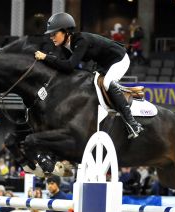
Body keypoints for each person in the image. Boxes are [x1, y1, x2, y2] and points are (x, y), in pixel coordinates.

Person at [34, 12, 144, 140]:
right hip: (103, 64)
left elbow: (69, 66)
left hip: (119, 59)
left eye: (54, 33)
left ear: (66, 32)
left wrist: (46, 57)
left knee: (107, 83)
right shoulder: (65, 46)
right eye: (50, 34)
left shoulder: (81, 41)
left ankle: (133, 124)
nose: (51, 37)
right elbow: (64, 67)